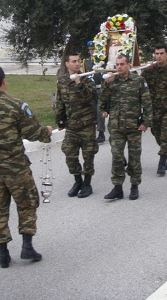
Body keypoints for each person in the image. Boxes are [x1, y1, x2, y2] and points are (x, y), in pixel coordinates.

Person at [0, 65, 53, 269]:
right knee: (26, 204)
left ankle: (3, 254)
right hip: (16, 169)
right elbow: (33, 133)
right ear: (4, 81)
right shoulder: (17, 106)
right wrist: (47, 132)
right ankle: (27, 246)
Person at [99, 55, 152, 200]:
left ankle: (134, 186)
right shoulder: (112, 81)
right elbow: (102, 101)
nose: (119, 67)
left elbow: (147, 103)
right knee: (117, 157)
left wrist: (146, 122)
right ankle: (117, 187)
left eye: (122, 64)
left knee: (134, 157)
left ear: (128, 65)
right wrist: (105, 83)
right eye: (117, 64)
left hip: (134, 126)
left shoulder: (138, 81)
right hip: (116, 126)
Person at [55, 52, 99, 198]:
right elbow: (60, 101)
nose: (77, 64)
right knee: (69, 154)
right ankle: (77, 180)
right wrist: (60, 119)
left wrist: (79, 83)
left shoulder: (86, 79)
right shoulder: (62, 81)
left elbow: (91, 97)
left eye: (78, 61)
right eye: (73, 61)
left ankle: (87, 184)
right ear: (67, 64)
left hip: (87, 125)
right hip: (72, 126)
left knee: (88, 155)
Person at [142, 45, 167, 175]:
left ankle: (162, 162)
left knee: (166, 135)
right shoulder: (150, 71)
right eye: (156, 53)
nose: (158, 56)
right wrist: (146, 69)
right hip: (154, 110)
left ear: (166, 54)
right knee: (157, 135)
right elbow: (140, 82)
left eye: (161, 53)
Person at [82, 41, 106, 143]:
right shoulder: (85, 62)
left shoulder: (102, 60)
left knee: (99, 110)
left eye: (93, 49)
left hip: (100, 88)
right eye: (90, 50)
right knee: (92, 110)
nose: (92, 51)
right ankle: (92, 132)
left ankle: (101, 133)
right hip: (91, 89)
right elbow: (85, 75)